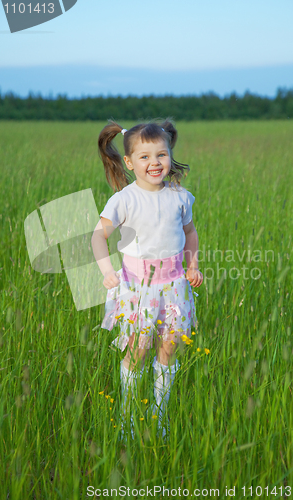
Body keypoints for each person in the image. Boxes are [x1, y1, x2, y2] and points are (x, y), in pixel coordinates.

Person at [91, 119, 203, 438]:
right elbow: (98, 238)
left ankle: (159, 412)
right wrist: (107, 272)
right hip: (138, 288)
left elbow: (189, 233)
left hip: (175, 285)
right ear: (129, 162)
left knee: (168, 348)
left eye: (161, 155)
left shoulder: (180, 196)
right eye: (144, 157)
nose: (154, 163)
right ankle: (128, 415)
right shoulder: (124, 199)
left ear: (169, 155)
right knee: (138, 350)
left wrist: (192, 266)